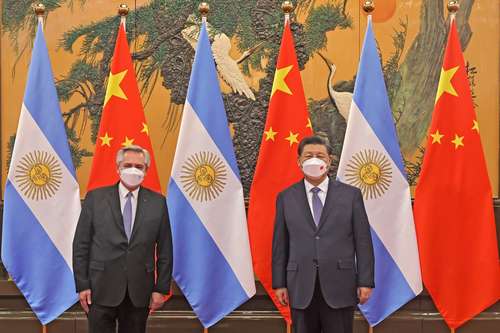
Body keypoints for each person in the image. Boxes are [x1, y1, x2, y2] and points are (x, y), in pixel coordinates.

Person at [272, 135, 374, 333]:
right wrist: (279, 283)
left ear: (329, 160)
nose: (314, 159)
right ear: (299, 161)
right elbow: (280, 244)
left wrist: (365, 281)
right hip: (300, 285)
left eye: (320, 155)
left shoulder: (351, 195)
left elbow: (363, 241)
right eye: (308, 155)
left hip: (340, 284)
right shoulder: (286, 197)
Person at [73, 145, 173, 333]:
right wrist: (82, 285)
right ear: (118, 168)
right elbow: (81, 245)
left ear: (146, 170)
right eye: (128, 165)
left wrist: (161, 289)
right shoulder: (96, 199)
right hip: (100, 289)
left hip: (139, 291)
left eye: (139, 166)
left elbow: (165, 249)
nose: (133, 170)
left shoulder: (158, 203)